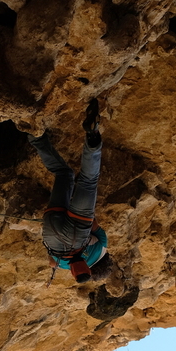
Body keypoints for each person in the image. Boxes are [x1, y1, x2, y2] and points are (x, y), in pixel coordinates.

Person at [28, 99, 113, 284]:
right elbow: (51, 262)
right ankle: (33, 135)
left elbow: (93, 224)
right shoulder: (68, 267)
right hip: (51, 231)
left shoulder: (102, 248)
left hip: (78, 229)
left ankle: (93, 137)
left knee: (88, 181)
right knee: (63, 174)